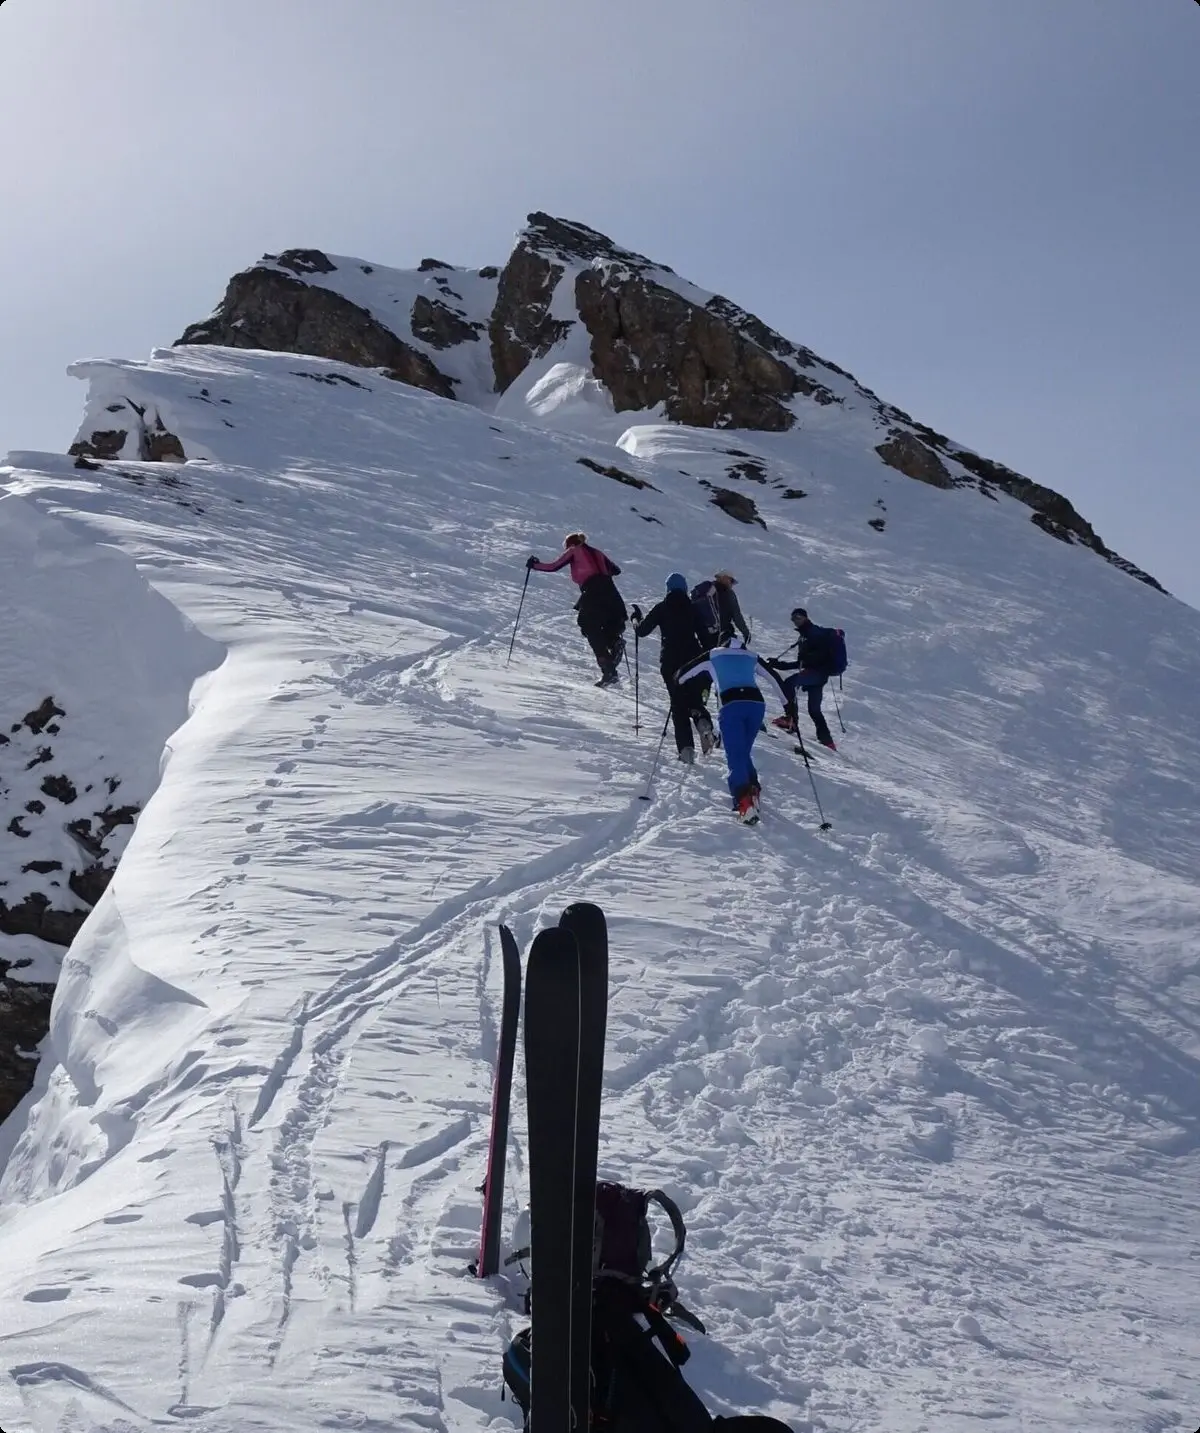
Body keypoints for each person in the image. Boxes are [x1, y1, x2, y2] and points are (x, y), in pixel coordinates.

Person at [675, 634, 790, 821]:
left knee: (735, 753)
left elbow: (684, 673)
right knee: (742, 751)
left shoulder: (713, 655)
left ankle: (743, 799)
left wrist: (678, 683)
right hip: (756, 706)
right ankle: (752, 788)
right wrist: (788, 705)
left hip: (731, 705)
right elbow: (775, 679)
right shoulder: (751, 656)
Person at [631, 574, 717, 766]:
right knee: (694, 699)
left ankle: (686, 750)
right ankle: (702, 720)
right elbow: (705, 639)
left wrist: (636, 619)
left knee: (678, 705)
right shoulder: (693, 608)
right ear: (685, 588)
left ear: (668, 588)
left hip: (670, 661)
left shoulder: (662, 607)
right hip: (693, 660)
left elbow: (642, 631)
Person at [528, 532, 627, 686]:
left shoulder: (574, 550)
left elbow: (554, 566)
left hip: (593, 591)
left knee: (587, 624)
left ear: (570, 544)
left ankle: (608, 670)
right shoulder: (597, 552)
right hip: (612, 593)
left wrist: (534, 565)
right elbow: (616, 570)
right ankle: (614, 642)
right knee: (604, 624)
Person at [768, 607, 838, 749]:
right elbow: (803, 662)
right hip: (820, 675)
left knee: (789, 683)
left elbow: (807, 660)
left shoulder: (812, 633)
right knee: (814, 710)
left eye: (798, 618)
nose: (796, 621)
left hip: (816, 673)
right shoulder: (806, 634)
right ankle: (827, 741)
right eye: (793, 619)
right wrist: (780, 665)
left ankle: (791, 720)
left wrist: (782, 665)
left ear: (805, 617)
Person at [690, 571, 751, 648]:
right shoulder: (729, 594)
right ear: (724, 578)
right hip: (724, 634)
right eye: (731, 581)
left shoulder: (705, 591)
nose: (732, 585)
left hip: (705, 635)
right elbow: (736, 615)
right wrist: (745, 632)